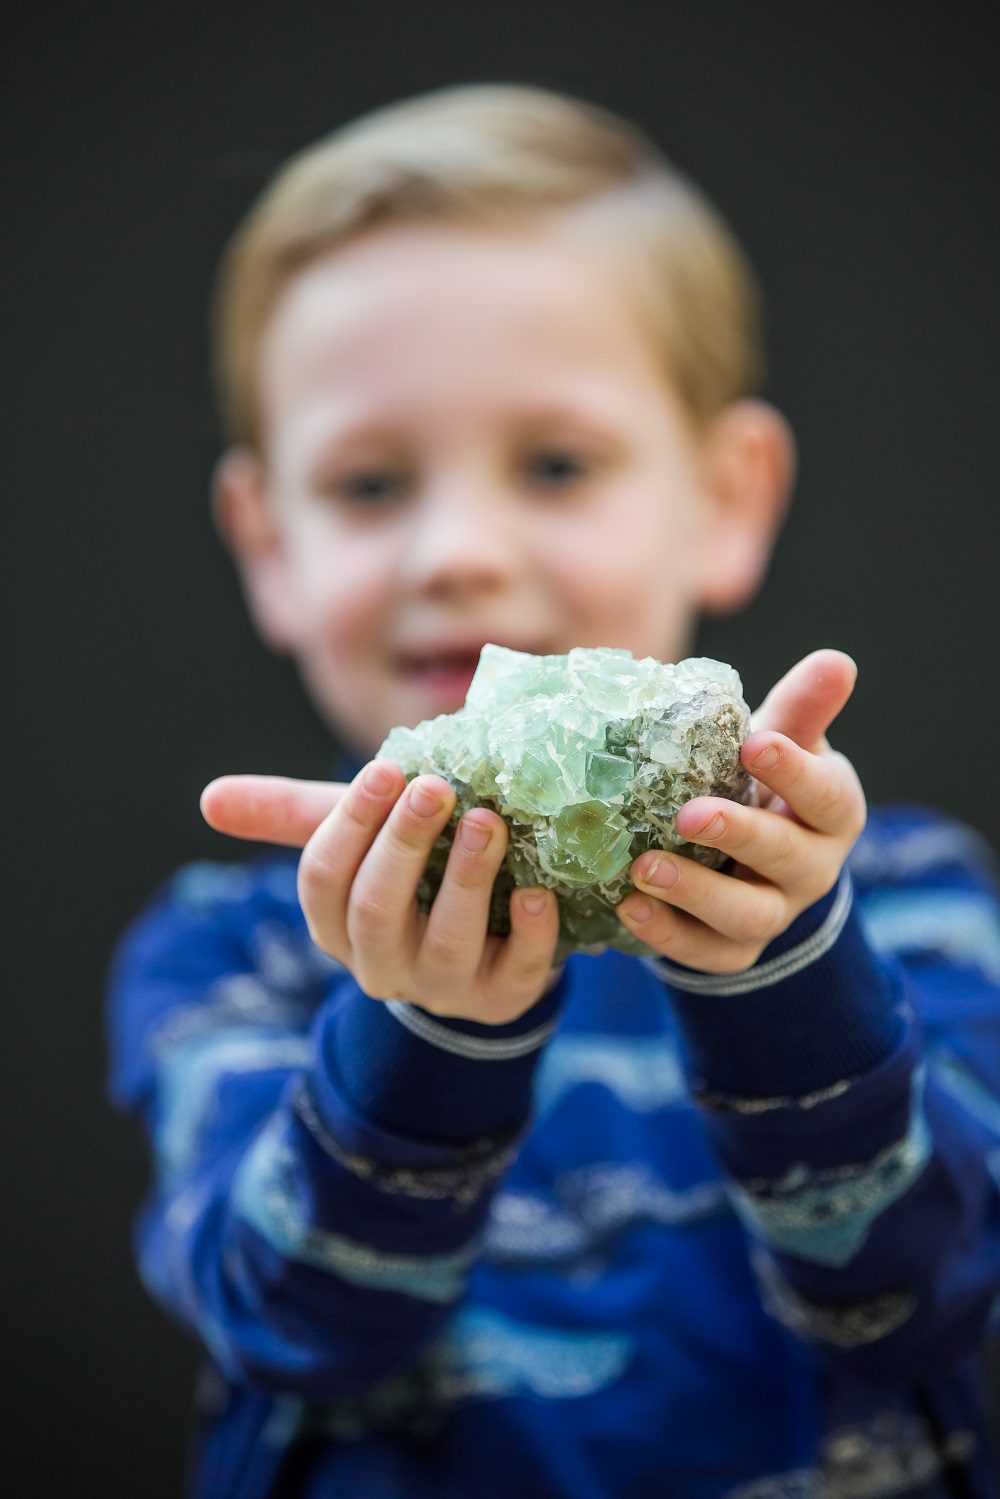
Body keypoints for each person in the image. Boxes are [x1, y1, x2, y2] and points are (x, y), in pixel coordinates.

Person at [106, 83, 1000, 1498]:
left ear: (727, 495)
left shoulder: (908, 902)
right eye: (369, 485)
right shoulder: (230, 951)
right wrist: (426, 1026)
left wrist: (785, 967)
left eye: (558, 464)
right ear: (264, 541)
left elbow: (929, 1293)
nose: (458, 550)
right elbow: (293, 1327)